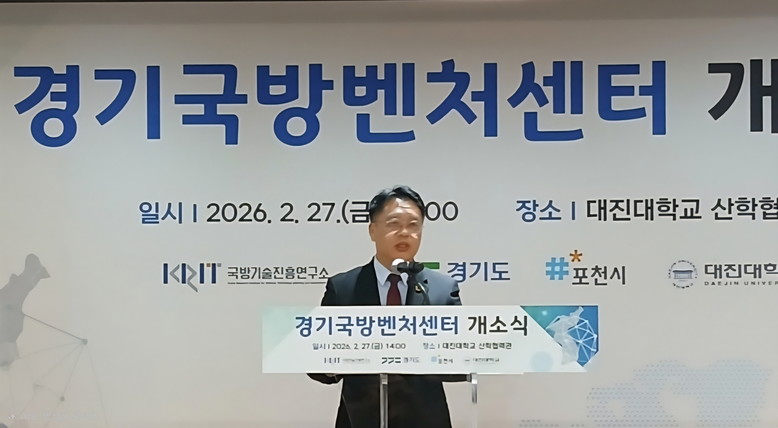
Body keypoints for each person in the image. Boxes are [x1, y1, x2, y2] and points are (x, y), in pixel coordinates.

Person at [308, 185, 465, 428]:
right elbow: (317, 366)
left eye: (413, 225)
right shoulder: (343, 288)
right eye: (394, 224)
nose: (405, 233)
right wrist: (338, 359)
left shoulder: (441, 289)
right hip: (360, 420)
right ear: (372, 230)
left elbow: (461, 362)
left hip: (426, 420)